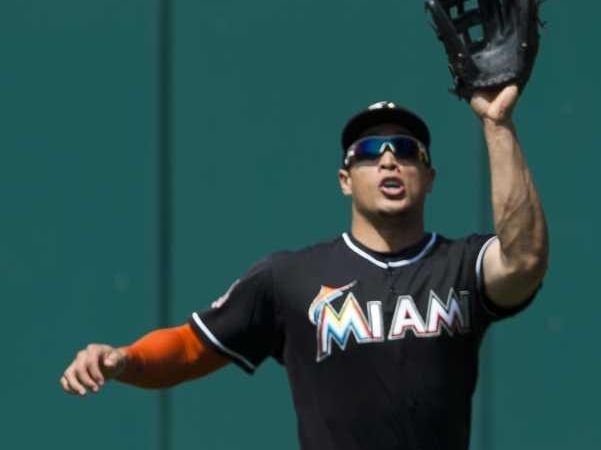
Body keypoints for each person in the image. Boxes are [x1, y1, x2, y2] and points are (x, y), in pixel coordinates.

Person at [60, 85, 548, 450]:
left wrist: (497, 124)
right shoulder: (290, 278)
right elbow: (190, 347)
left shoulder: (459, 267)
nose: (387, 162)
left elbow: (523, 258)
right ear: (344, 180)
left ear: (429, 176)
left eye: (405, 151)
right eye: (368, 153)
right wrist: (125, 360)